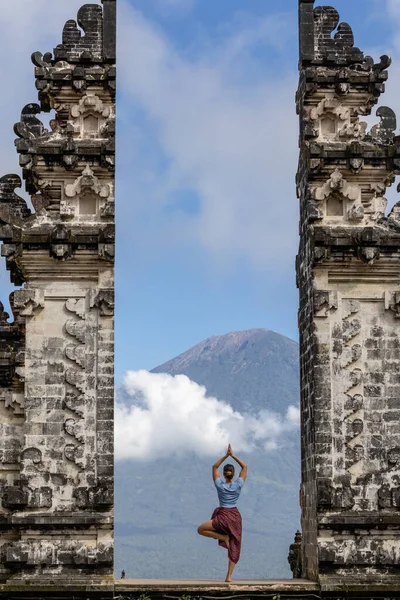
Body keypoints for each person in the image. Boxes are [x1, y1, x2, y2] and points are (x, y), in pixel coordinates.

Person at [197, 443, 247, 582]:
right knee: (235, 544)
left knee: (200, 529)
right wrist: (233, 455)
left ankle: (223, 537)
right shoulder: (238, 485)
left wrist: (226, 456)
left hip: (223, 516)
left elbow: (214, 467)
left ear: (224, 474)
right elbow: (245, 467)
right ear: (234, 474)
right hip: (235, 517)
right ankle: (229, 576)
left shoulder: (220, 485)